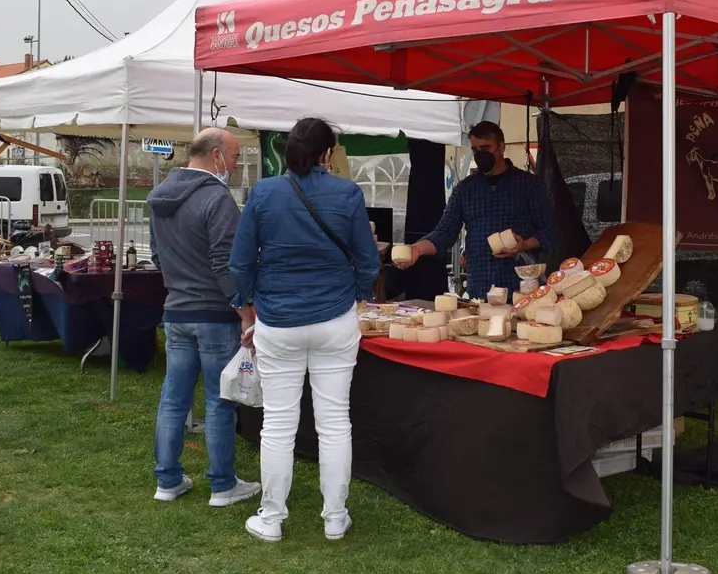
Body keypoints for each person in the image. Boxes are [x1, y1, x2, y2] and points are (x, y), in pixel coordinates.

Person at [230, 117, 380, 543]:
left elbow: (241, 262)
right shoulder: (347, 193)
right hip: (335, 319)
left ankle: (272, 517)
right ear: (328, 153)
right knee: (334, 422)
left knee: (278, 424)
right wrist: (358, 293)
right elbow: (368, 259)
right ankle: (335, 516)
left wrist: (247, 304)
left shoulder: (263, 193)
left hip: (278, 320)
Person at [147, 127, 261, 508]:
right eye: (235, 157)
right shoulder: (217, 198)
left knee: (173, 399)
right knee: (219, 401)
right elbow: (225, 263)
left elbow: (157, 255)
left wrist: (179, 286)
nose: (236, 164)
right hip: (215, 313)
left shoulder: (159, 195)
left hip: (177, 310)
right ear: (216, 155)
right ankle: (222, 485)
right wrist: (244, 311)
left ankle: (167, 480)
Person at [396, 121, 556, 299]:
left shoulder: (529, 185)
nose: (481, 155)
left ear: (501, 147)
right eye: (475, 150)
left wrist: (524, 245)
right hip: (480, 288)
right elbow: (444, 233)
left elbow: (550, 231)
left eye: (486, 148)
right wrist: (417, 249)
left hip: (521, 287)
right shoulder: (465, 189)